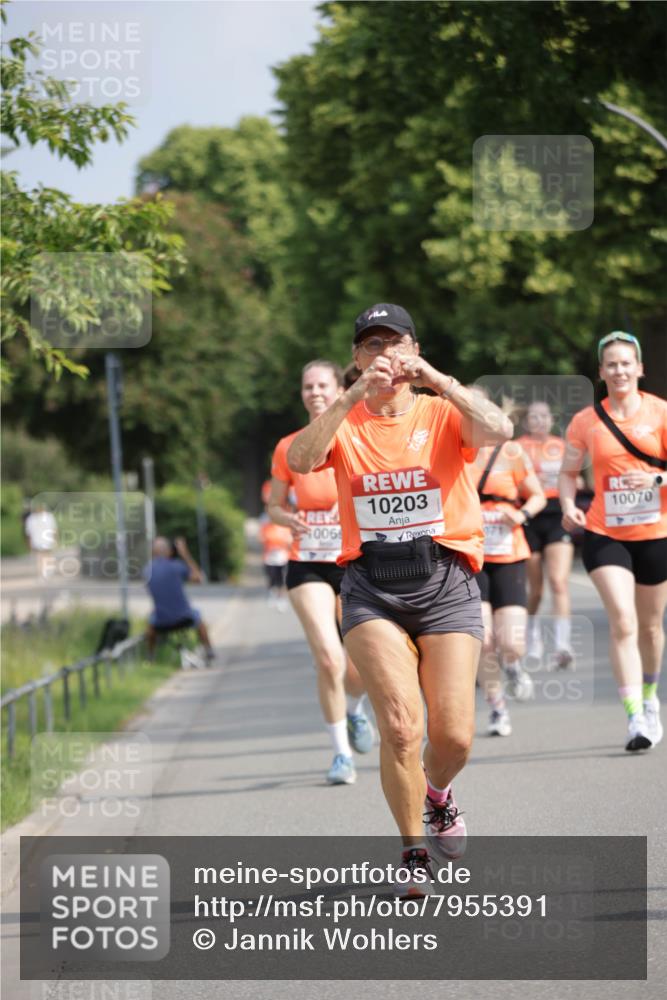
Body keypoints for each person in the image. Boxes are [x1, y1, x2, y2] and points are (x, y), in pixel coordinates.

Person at [286, 303, 513, 895]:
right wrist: (346, 398)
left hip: (446, 583)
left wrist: (437, 378)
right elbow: (301, 461)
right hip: (371, 588)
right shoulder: (346, 420)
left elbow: (499, 430)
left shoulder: (441, 412)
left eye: (394, 343)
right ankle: (413, 849)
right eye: (369, 346)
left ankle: (438, 795)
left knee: (455, 736)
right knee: (401, 727)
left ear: (413, 348)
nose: (383, 354)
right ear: (355, 358)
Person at [268, 360, 375, 786]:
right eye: (307, 385)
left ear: (337, 389)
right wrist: (286, 519)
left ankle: (353, 710)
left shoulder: (360, 436)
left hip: (355, 560)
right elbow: (274, 504)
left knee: (360, 665)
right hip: (307, 560)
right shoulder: (288, 447)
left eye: (322, 385)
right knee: (329, 659)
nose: (314, 392)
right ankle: (341, 755)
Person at [559, 331, 667, 751]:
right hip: (605, 532)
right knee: (623, 620)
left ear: (639, 368)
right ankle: (634, 718)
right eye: (611, 365)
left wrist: (656, 478)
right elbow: (568, 473)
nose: (619, 371)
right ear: (601, 373)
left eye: (626, 363)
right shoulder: (586, 421)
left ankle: (649, 697)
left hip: (656, 533)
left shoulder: (660, 413)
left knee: (652, 628)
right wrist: (569, 505)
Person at [472, 428, 546, 737]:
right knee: (482, 639)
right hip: (470, 557)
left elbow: (538, 495)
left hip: (508, 552)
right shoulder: (446, 449)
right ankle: (497, 705)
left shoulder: (510, 451)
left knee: (511, 643)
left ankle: (513, 666)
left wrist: (522, 514)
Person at [518, 401, 575, 667]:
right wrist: (529, 484)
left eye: (543, 416)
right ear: (527, 422)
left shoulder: (561, 446)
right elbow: (507, 481)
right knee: (536, 590)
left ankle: (562, 646)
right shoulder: (517, 448)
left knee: (559, 581)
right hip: (529, 515)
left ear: (551, 419)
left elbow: (574, 479)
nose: (539, 421)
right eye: (533, 417)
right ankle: (533, 640)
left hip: (556, 515)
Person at [143, 536, 214, 661]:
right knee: (200, 620)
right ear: (169, 551)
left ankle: (150, 656)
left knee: (150, 623)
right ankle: (208, 650)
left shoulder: (147, 570)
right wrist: (185, 554)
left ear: (153, 552)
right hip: (184, 618)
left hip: (160, 621)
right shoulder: (177, 566)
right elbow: (199, 578)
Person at [259, 514, 291, 610]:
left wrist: (280, 543)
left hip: (282, 557)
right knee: (271, 577)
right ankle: (272, 595)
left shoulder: (284, 528)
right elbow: (261, 538)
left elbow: (289, 540)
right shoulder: (266, 527)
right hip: (269, 557)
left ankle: (281, 599)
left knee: (282, 579)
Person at [24, 503, 58, 580]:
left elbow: (54, 529)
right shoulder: (31, 519)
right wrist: (29, 542)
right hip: (38, 541)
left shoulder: (48, 517)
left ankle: (46, 571)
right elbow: (29, 532)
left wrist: (55, 539)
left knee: (46, 556)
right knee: (40, 557)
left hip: (46, 540)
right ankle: (42, 573)